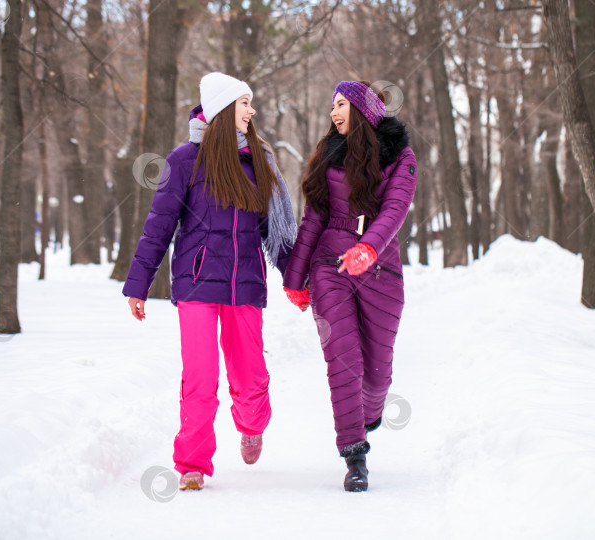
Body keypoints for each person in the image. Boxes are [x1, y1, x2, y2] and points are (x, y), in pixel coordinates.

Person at [123, 72, 296, 491]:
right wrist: (138, 283)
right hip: (196, 283)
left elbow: (276, 231)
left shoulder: (259, 161)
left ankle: (251, 425)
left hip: (246, 284)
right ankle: (192, 465)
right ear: (222, 109)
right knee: (199, 377)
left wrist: (297, 278)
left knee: (250, 377)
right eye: (244, 104)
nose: (251, 112)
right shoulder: (184, 160)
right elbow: (159, 225)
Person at [283, 80, 417, 492]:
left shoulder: (401, 156)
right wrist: (296, 278)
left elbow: (395, 208)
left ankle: (370, 413)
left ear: (361, 109)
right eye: (332, 105)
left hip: (381, 269)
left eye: (339, 104)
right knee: (343, 358)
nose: (332, 113)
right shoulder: (329, 155)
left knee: (376, 376)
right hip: (329, 266)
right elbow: (314, 219)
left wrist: (369, 248)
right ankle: (354, 455)